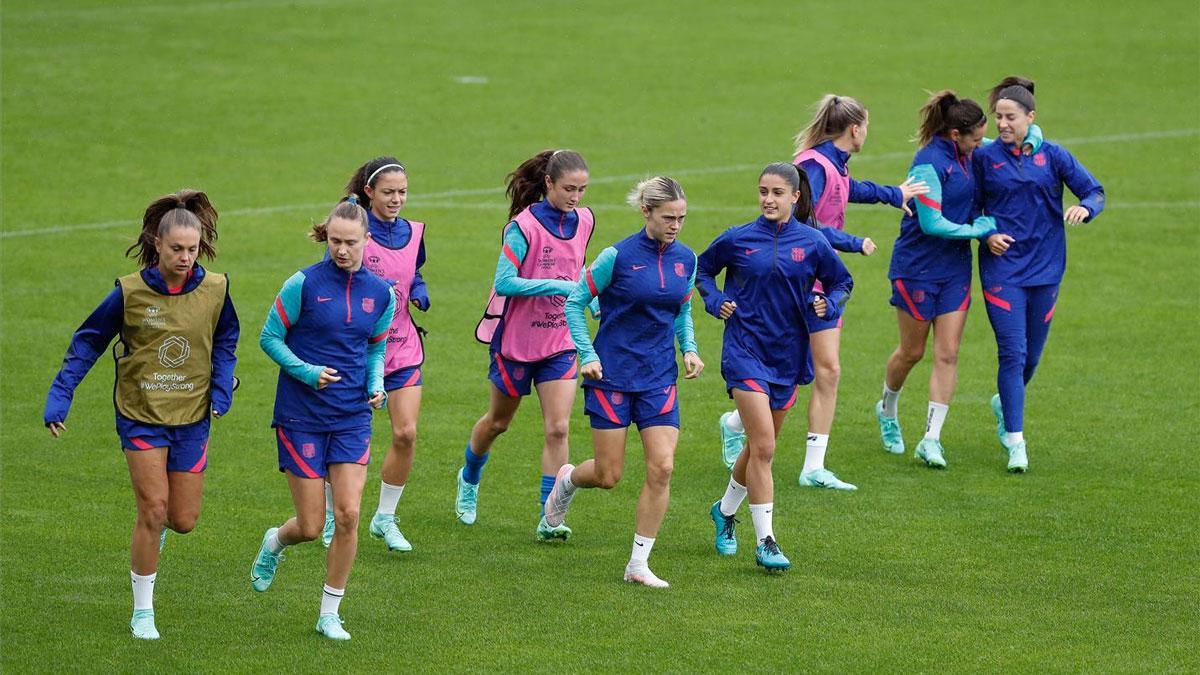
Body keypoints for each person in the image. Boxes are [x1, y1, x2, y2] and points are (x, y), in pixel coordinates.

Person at [44, 190, 239, 640]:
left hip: (192, 416)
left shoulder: (215, 289)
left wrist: (222, 382)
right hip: (141, 414)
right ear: (156, 242)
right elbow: (88, 341)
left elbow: (227, 337)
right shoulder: (129, 292)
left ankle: (158, 531)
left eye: (192, 249)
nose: (186, 257)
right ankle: (143, 611)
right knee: (152, 508)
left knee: (183, 519)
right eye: (177, 249)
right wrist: (61, 395)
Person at [718, 94, 927, 491]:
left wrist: (893, 195)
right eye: (867, 125)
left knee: (828, 369)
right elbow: (805, 219)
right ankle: (735, 423)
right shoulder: (813, 165)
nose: (868, 132)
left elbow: (849, 189)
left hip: (823, 286)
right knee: (790, 371)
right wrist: (852, 241)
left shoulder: (835, 165)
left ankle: (813, 465)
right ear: (855, 128)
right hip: (795, 282)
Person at [543, 177, 703, 588]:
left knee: (663, 468)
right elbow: (575, 302)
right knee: (609, 475)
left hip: (659, 378)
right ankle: (568, 480)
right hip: (612, 375)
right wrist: (588, 354)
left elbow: (682, 311)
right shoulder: (617, 256)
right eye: (668, 217)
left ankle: (638, 564)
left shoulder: (687, 259)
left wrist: (689, 348)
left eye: (682, 218)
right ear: (646, 212)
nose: (676, 225)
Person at [249, 198, 396, 641]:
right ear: (326, 237)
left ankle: (329, 612)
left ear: (367, 241)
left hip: (352, 415)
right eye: (335, 241)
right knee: (312, 526)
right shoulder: (303, 284)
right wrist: (307, 373)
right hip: (302, 416)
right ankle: (275, 541)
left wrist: (376, 384)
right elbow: (269, 337)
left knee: (349, 514)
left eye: (351, 242)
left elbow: (375, 347)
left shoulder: (381, 294)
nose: (342, 250)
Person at [875, 89, 1045, 467]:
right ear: (955, 135)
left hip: (954, 271)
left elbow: (1018, 137)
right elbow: (931, 222)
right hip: (916, 268)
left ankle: (931, 439)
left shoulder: (970, 153)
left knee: (948, 353)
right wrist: (979, 229)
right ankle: (887, 408)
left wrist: (1032, 133)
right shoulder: (927, 165)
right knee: (912, 352)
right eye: (976, 137)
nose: (982, 143)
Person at [698, 163, 853, 571]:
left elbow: (842, 282)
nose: (768, 199)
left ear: (795, 197)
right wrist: (715, 302)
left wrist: (829, 304)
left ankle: (724, 511)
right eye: (763, 191)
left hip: (788, 356)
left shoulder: (813, 243)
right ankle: (766, 542)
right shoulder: (737, 239)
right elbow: (702, 270)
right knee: (765, 447)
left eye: (777, 193)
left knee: (757, 448)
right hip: (744, 351)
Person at [456, 149, 595, 540]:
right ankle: (469, 476)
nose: (576, 197)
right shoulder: (524, 226)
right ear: (549, 183)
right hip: (516, 343)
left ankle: (549, 516)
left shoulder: (585, 220)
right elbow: (505, 282)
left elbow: (578, 267)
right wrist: (560, 286)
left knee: (558, 428)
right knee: (498, 423)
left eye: (582, 189)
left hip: (560, 340)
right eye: (569, 188)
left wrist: (592, 295)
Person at [973, 77, 1104, 473]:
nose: (1001, 123)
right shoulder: (984, 158)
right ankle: (1015, 442)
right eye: (998, 116)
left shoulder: (1055, 156)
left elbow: (1094, 191)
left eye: (1010, 117)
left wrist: (1086, 208)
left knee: (1031, 357)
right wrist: (988, 232)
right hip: (1002, 269)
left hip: (1046, 270)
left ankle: (1004, 401)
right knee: (1012, 352)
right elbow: (970, 207)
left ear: (1031, 117)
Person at [319, 157, 429, 553]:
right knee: (341, 439)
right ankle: (333, 516)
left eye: (402, 192)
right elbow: (329, 282)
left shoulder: (416, 232)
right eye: (388, 193)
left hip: (401, 348)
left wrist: (418, 288)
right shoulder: (354, 234)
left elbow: (413, 270)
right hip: (353, 352)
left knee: (406, 432)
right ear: (369, 193)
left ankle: (385, 517)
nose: (397, 199)